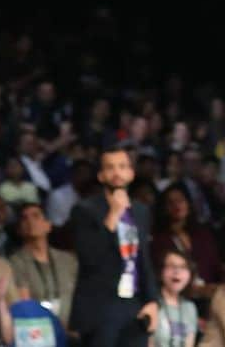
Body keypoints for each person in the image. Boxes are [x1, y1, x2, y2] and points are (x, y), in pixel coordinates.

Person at [69, 147, 159, 347]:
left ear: (131, 173)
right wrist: (113, 215)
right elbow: (89, 257)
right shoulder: (84, 210)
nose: (116, 173)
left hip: (134, 304)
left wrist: (152, 301)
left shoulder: (141, 211)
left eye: (122, 167)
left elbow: (143, 259)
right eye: (110, 168)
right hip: (101, 306)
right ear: (101, 176)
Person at [9, 202, 78, 328]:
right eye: (25, 218)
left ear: (48, 225)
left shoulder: (68, 260)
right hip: (38, 331)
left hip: (71, 328)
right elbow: (24, 303)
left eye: (36, 216)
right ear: (19, 230)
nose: (30, 221)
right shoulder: (15, 263)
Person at [150, 186, 221, 306]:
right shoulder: (159, 240)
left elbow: (215, 266)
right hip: (176, 298)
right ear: (164, 208)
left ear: (189, 204)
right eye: (171, 202)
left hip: (209, 296)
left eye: (180, 200)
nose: (176, 205)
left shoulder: (203, 234)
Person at [153, 251, 198, 347]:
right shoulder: (152, 304)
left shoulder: (190, 308)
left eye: (183, 267)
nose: (177, 271)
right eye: (171, 266)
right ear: (161, 271)